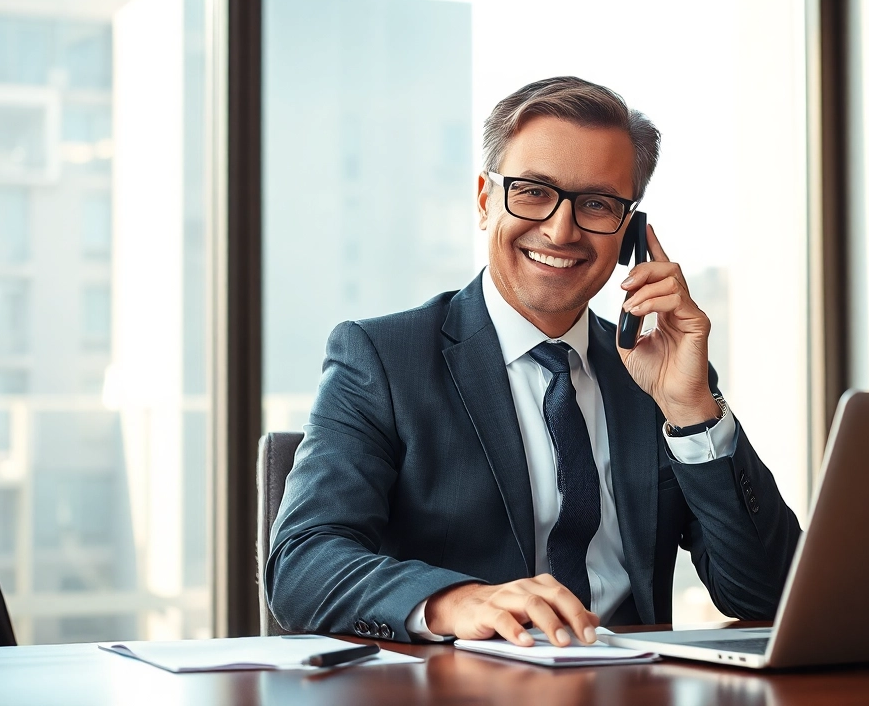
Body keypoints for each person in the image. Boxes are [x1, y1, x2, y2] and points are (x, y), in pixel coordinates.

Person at [265, 76, 801, 647]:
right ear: (484, 201)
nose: (561, 228)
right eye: (532, 191)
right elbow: (303, 565)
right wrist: (458, 601)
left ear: (630, 234)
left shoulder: (655, 374)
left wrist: (693, 411)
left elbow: (769, 598)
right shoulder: (382, 360)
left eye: (597, 204)